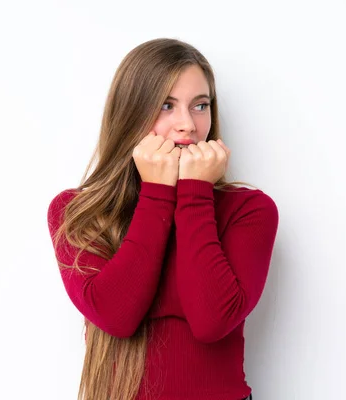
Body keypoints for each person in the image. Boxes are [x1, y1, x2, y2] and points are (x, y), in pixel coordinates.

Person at [47, 38, 278, 400]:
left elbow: (211, 321)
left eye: (200, 105)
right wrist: (157, 194)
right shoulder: (76, 212)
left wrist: (195, 192)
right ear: (131, 113)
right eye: (166, 105)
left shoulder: (249, 210)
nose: (187, 124)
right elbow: (115, 316)